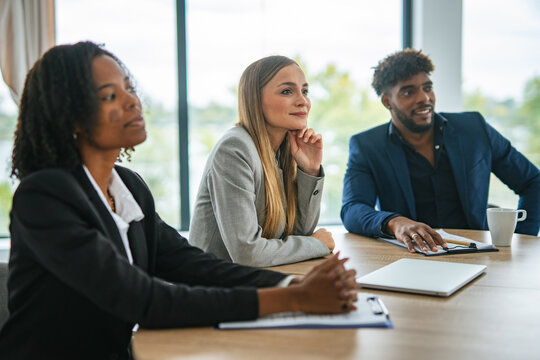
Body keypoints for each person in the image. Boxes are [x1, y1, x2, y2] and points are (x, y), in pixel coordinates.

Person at [0, 42, 358, 359]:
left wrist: (291, 285)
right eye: (110, 95)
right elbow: (143, 299)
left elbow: (191, 263)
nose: (133, 101)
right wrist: (293, 300)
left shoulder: (128, 186)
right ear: (72, 117)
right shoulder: (43, 197)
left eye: (129, 87)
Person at [341, 48, 540, 252]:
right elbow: (352, 209)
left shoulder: (475, 129)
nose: (424, 98)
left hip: (476, 254)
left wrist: (521, 239)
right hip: (410, 259)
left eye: (427, 88)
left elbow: (533, 181)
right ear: (387, 101)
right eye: (409, 92)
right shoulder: (367, 146)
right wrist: (395, 222)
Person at [189, 55, 334, 267]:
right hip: (213, 289)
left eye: (305, 91)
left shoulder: (283, 149)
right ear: (255, 100)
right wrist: (316, 244)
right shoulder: (234, 148)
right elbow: (248, 254)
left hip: (256, 281)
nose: (303, 101)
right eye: (287, 91)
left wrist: (310, 171)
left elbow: (300, 233)